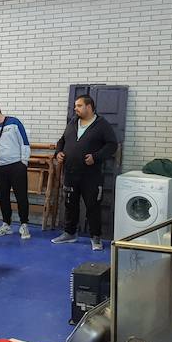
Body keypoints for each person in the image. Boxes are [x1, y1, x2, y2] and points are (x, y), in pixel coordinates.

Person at [52, 95, 118, 251]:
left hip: (91, 175)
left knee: (93, 206)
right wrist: (58, 152)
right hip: (70, 172)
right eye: (75, 106)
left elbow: (112, 145)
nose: (76, 108)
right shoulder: (73, 122)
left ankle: (96, 237)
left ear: (89, 107)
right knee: (70, 204)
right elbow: (62, 140)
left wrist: (96, 157)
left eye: (79, 106)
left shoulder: (102, 124)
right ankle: (70, 233)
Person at [0, 100, 32, 239]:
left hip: (17, 166)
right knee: (3, 197)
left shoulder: (14, 123)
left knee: (21, 196)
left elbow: (24, 143)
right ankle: (6, 224)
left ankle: (24, 225)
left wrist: (23, 162)